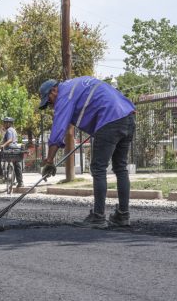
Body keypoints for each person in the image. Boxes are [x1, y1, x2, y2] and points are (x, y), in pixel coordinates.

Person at [39, 76, 136, 228]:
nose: (51, 105)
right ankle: (123, 216)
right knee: (121, 168)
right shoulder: (75, 85)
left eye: (49, 101)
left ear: (54, 90)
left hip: (110, 119)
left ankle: (98, 217)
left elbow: (58, 129)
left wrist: (50, 160)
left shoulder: (64, 95)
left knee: (98, 168)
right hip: (127, 117)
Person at [0, 116, 23, 188]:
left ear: (9, 124)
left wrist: (3, 145)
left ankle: (0, 174)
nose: (3, 124)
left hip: (8, 150)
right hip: (16, 150)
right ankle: (20, 182)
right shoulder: (14, 130)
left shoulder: (9, 130)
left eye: (5, 123)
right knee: (17, 165)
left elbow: (10, 140)